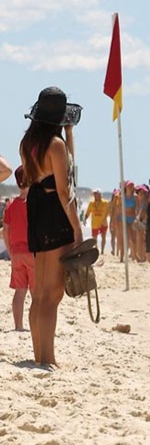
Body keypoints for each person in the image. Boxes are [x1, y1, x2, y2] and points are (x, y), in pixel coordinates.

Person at [20, 86, 83, 366]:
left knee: (40, 293)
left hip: (37, 212)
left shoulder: (29, 142)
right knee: (52, 294)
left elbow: (61, 168)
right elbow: (64, 189)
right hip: (56, 216)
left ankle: (40, 355)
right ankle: (48, 358)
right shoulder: (55, 145)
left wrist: (69, 134)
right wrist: (77, 228)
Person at [3, 165, 33, 331]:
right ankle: (35, 325)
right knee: (36, 292)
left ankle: (18, 326)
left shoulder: (11, 205)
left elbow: (5, 231)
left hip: (16, 252)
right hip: (32, 251)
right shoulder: (34, 204)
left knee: (20, 291)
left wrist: (10, 251)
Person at [84, 189, 109, 254]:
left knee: (103, 237)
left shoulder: (105, 203)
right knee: (94, 237)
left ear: (100, 195)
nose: (96, 195)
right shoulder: (91, 203)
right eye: (95, 194)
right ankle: (96, 248)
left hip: (103, 223)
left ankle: (102, 250)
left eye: (97, 194)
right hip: (95, 223)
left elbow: (108, 212)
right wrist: (85, 219)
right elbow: (88, 212)